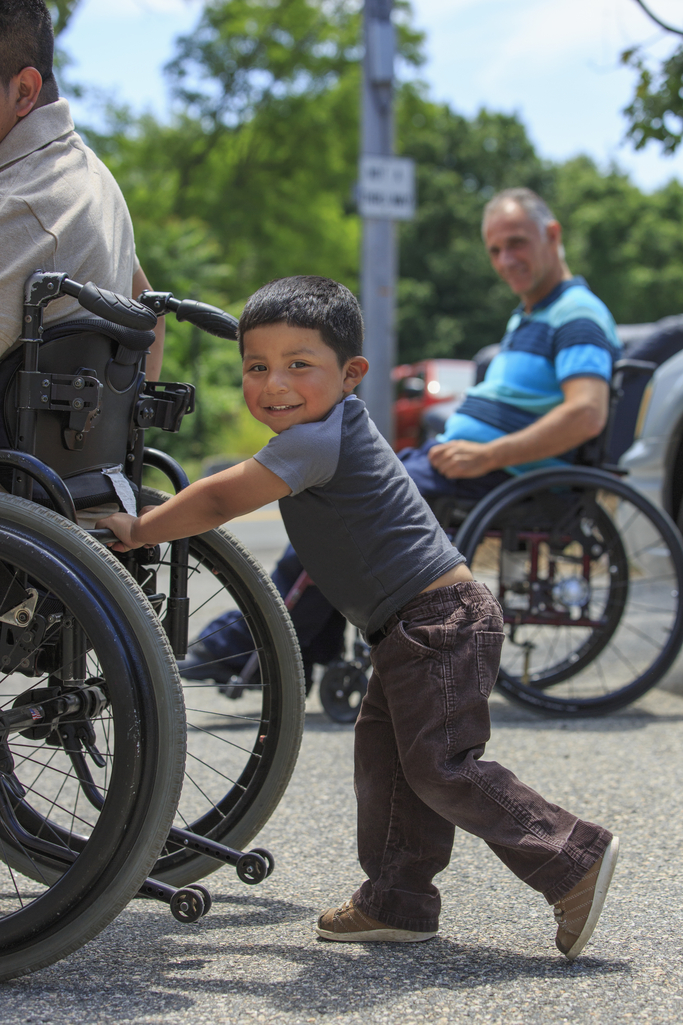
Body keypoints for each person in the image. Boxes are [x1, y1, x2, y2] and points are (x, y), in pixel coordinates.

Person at [99, 275, 619, 959]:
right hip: (409, 630)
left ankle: (570, 854)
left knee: (439, 765)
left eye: (298, 365)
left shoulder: (315, 439)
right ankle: (397, 899)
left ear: (350, 375)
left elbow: (225, 496)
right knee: (389, 768)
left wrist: (143, 528)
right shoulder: (324, 428)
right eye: (257, 366)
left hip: (438, 621)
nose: (274, 384)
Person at [177, 187, 622, 684]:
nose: (505, 260)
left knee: (342, 507)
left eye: (516, 243)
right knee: (336, 499)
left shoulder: (576, 314)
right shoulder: (529, 315)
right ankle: (288, 643)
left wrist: (487, 454)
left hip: (505, 478)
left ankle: (254, 643)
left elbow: (587, 413)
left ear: (553, 235)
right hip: (464, 466)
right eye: (495, 249)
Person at [0, 0, 164, 379]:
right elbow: (149, 312)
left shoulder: (25, 204)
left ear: (24, 90)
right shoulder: (90, 174)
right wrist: (128, 435)